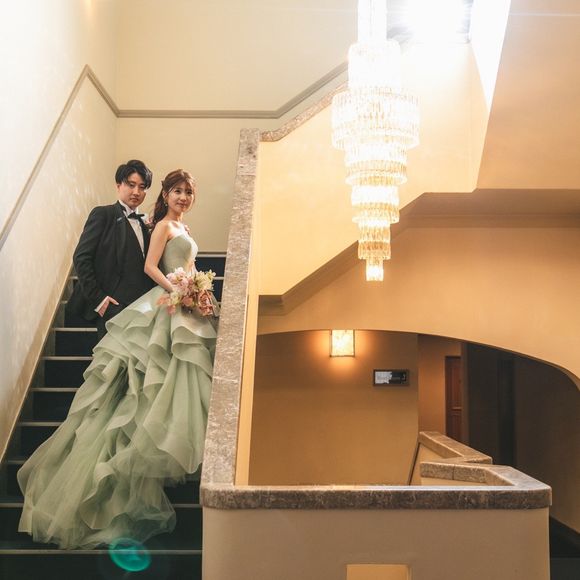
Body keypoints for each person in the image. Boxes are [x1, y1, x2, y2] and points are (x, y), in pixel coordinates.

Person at [18, 169, 216, 549]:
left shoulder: (175, 226)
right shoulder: (154, 225)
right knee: (134, 387)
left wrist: (198, 292)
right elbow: (147, 267)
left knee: (167, 386)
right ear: (165, 194)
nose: (183, 197)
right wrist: (178, 291)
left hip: (178, 305)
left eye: (188, 192)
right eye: (177, 191)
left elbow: (185, 268)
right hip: (157, 305)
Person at [67, 159, 156, 339]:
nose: (136, 192)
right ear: (118, 185)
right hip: (113, 307)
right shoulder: (103, 214)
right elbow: (81, 257)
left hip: (143, 308)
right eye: (131, 185)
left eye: (142, 187)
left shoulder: (146, 223)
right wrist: (100, 300)